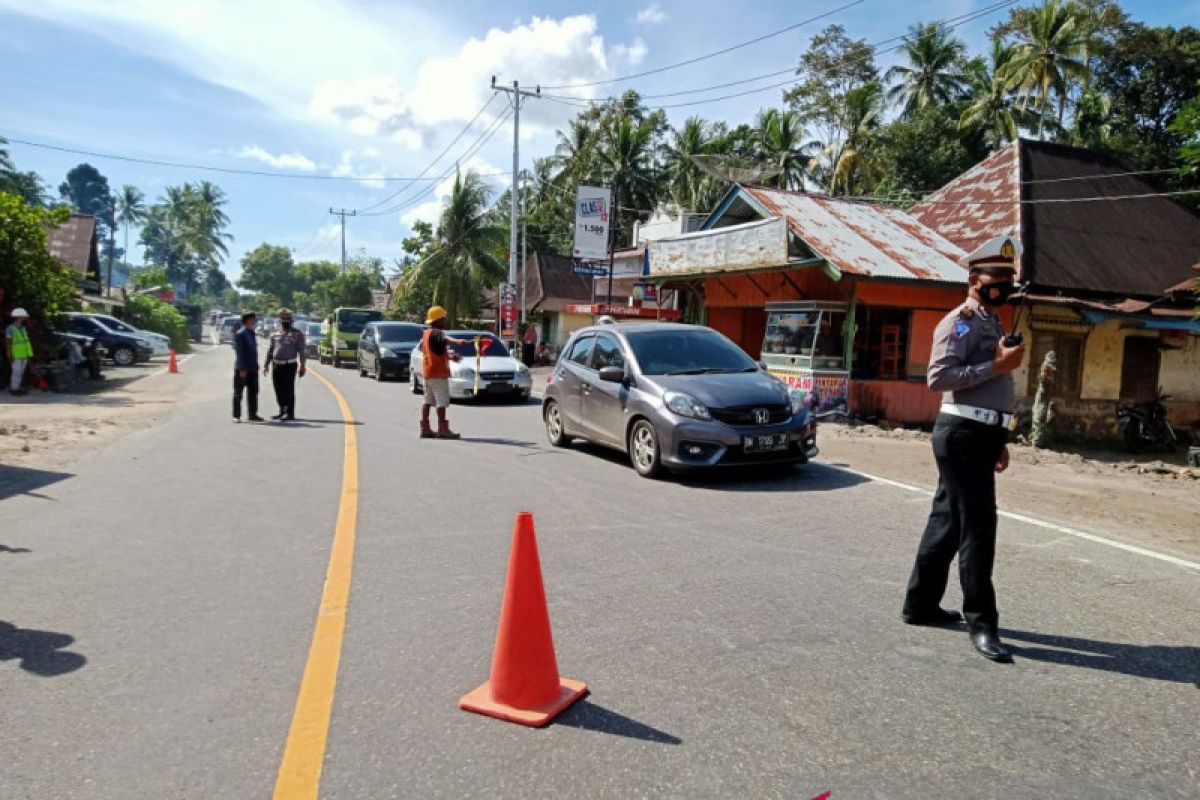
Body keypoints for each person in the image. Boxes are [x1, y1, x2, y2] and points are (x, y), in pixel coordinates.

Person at [902, 235, 1026, 664]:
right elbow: (939, 377)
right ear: (974, 279)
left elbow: (994, 389)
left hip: (981, 434)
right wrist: (997, 365)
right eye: (998, 279)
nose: (1006, 286)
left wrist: (1000, 438)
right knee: (978, 527)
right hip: (960, 434)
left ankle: (919, 605)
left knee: (947, 522)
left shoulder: (991, 321)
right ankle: (982, 622)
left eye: (1010, 279)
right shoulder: (959, 321)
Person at [419, 305, 469, 439]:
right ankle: (443, 428)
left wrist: (450, 357)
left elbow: (433, 350)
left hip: (428, 373)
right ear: (437, 320)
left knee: (427, 401)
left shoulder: (426, 334)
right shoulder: (437, 333)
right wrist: (458, 341)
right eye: (443, 319)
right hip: (438, 374)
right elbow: (445, 339)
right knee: (441, 402)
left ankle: (425, 428)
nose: (444, 321)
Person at [263, 308, 306, 421]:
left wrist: (302, 365)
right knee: (278, 389)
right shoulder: (275, 334)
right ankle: (282, 410)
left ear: (292, 320)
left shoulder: (297, 334)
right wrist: (266, 365)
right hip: (276, 365)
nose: (285, 321)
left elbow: (301, 351)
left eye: (287, 319)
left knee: (288, 389)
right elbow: (270, 350)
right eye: (283, 319)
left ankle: (290, 413)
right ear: (280, 320)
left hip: (289, 365)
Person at [233, 311, 263, 422]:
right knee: (238, 393)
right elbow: (240, 352)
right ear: (247, 320)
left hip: (253, 368)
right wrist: (242, 368)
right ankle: (236, 416)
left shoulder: (252, 332)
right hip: (243, 368)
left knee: (253, 392)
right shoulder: (241, 334)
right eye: (252, 319)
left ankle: (252, 414)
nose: (254, 321)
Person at [6, 307, 33, 396]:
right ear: (18, 317)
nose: (25, 318)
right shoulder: (10, 328)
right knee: (16, 371)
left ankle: (17, 387)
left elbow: (25, 341)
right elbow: (8, 342)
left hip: (24, 353)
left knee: (21, 371)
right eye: (23, 316)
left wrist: (28, 354)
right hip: (16, 353)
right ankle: (14, 388)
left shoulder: (23, 328)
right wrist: (9, 354)